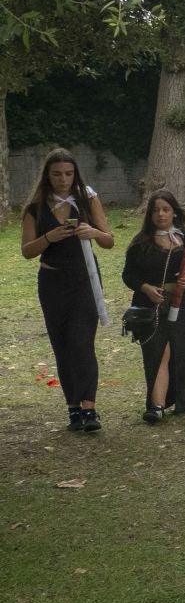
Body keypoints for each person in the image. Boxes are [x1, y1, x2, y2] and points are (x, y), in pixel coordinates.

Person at [19, 149, 113, 431]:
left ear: (76, 174)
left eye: (69, 174)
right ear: (48, 175)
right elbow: (27, 251)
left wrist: (93, 233)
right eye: (57, 174)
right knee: (62, 346)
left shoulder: (87, 199)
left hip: (84, 280)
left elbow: (109, 241)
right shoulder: (35, 207)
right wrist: (49, 237)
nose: (63, 179)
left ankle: (89, 408)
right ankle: (73, 407)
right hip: (52, 283)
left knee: (81, 342)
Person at [122, 191, 185, 423]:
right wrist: (146, 288)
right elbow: (128, 275)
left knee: (184, 353)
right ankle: (157, 405)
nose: (160, 214)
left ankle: (183, 402)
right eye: (155, 210)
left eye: (165, 209)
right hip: (151, 308)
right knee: (158, 353)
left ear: (174, 212)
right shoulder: (141, 243)